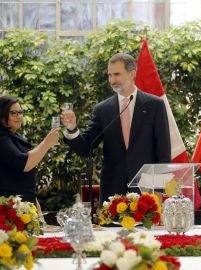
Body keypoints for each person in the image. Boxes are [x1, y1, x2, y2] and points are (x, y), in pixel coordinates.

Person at [60, 53, 171, 205]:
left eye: (117, 74)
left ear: (132, 74)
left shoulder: (154, 105)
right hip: (112, 193)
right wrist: (72, 129)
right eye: (110, 75)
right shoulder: (102, 109)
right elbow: (86, 147)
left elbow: (163, 151)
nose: (112, 80)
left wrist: (158, 190)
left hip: (146, 191)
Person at [0, 95, 60, 203]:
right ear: (2, 114)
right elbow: (23, 163)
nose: (19, 117)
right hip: (9, 207)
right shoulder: (2, 137)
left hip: (25, 204)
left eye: (20, 112)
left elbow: (26, 178)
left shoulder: (15, 136)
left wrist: (36, 204)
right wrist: (47, 143)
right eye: (13, 113)